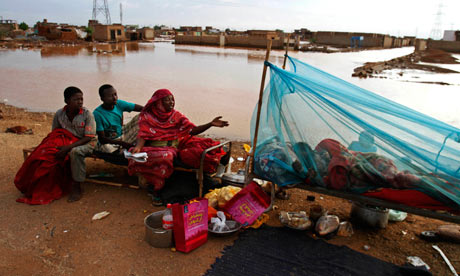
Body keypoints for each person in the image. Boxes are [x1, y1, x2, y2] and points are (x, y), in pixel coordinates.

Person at [128, 89, 229, 205]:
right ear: (158, 102)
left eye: (172, 99)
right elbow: (143, 134)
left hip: (173, 146)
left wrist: (210, 124)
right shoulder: (147, 116)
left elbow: (192, 130)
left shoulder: (176, 115)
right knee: (163, 156)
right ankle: (156, 188)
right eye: (167, 100)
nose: (171, 102)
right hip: (154, 148)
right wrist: (139, 147)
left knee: (203, 145)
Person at [14, 86, 96, 204]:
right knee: (44, 156)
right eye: (76, 99)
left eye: (81, 99)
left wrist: (67, 147)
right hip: (65, 140)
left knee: (74, 152)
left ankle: (76, 186)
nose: (80, 102)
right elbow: (56, 133)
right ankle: (33, 186)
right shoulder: (59, 114)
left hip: (84, 141)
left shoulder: (87, 114)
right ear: (67, 101)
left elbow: (89, 137)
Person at [93, 84, 143, 153]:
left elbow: (141, 108)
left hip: (121, 134)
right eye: (110, 96)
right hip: (109, 142)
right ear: (102, 98)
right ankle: (121, 149)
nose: (114, 98)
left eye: (115, 94)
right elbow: (102, 139)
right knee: (107, 149)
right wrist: (122, 143)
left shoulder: (119, 103)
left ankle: (123, 148)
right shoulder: (97, 114)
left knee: (142, 115)